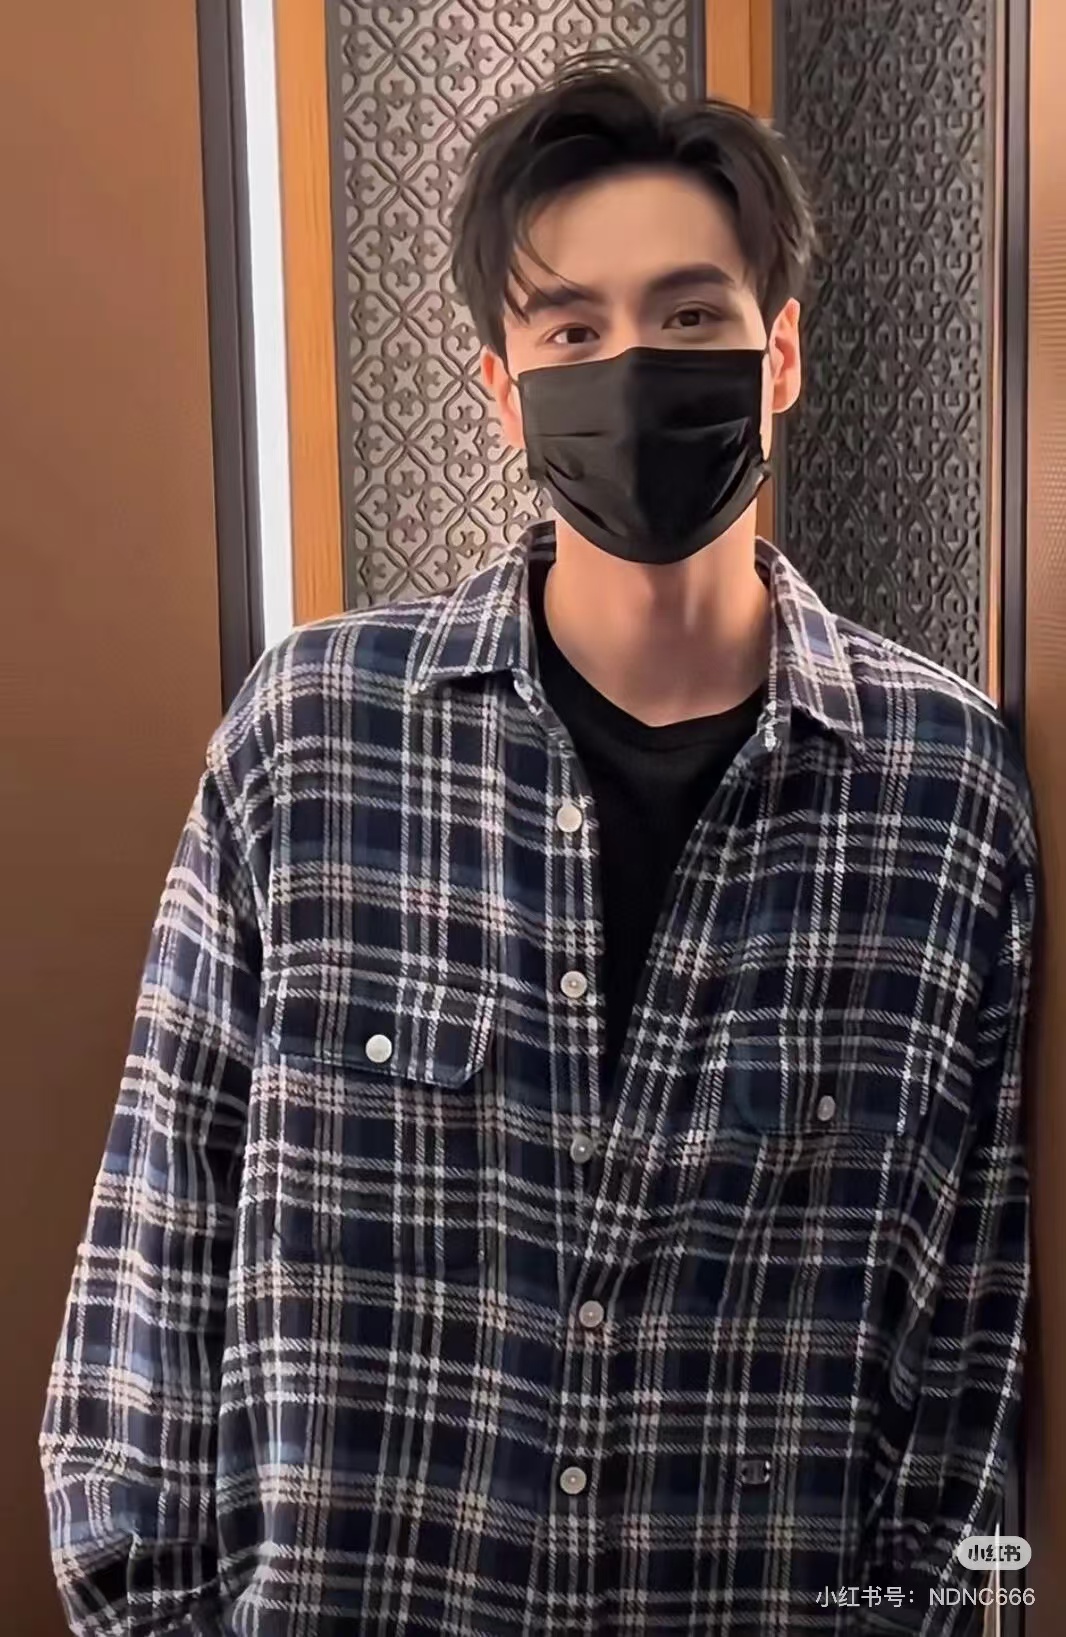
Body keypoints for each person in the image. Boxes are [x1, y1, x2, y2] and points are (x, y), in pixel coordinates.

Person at [41, 53, 1037, 1637]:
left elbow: (968, 1330)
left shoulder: (941, 788)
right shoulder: (313, 735)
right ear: (502, 386)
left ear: (778, 355)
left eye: (690, 316)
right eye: (572, 330)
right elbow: (157, 1245)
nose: (631, 368)